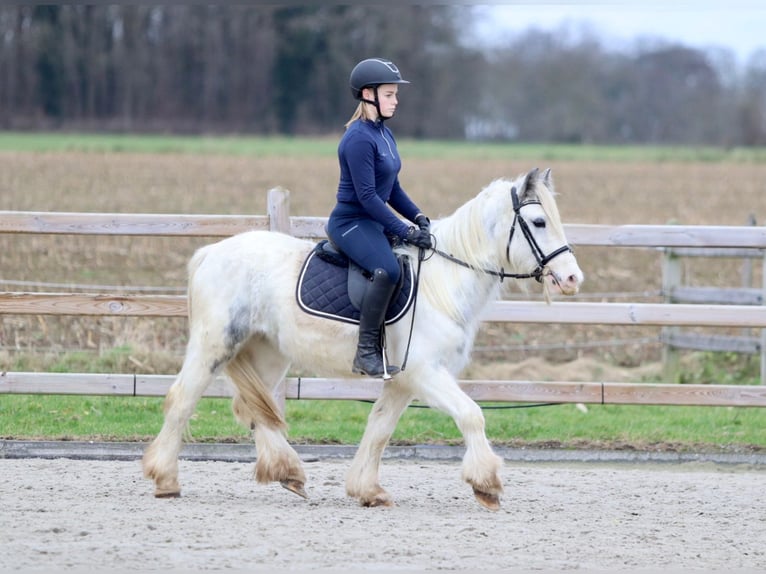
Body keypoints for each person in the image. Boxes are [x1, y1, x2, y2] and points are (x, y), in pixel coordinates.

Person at [326, 57, 433, 378]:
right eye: (389, 94)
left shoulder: (384, 135)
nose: (395, 101)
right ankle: (367, 353)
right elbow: (368, 197)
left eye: (395, 95)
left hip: (372, 220)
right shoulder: (358, 138)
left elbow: (393, 187)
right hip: (351, 222)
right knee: (386, 269)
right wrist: (403, 229)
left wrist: (418, 216)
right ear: (367, 94)